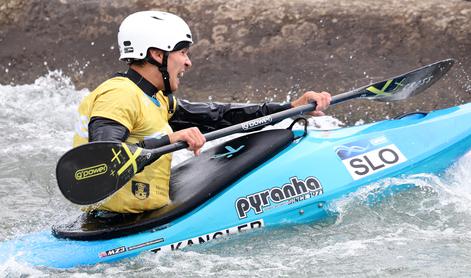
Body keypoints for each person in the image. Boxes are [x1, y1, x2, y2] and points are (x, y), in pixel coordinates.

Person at [73, 10, 331, 214]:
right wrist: (169, 140)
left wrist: (290, 108)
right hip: (117, 224)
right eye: (182, 52)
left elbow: (218, 116)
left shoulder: (153, 97)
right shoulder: (119, 95)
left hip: (136, 213)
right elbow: (100, 161)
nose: (188, 62)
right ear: (156, 54)